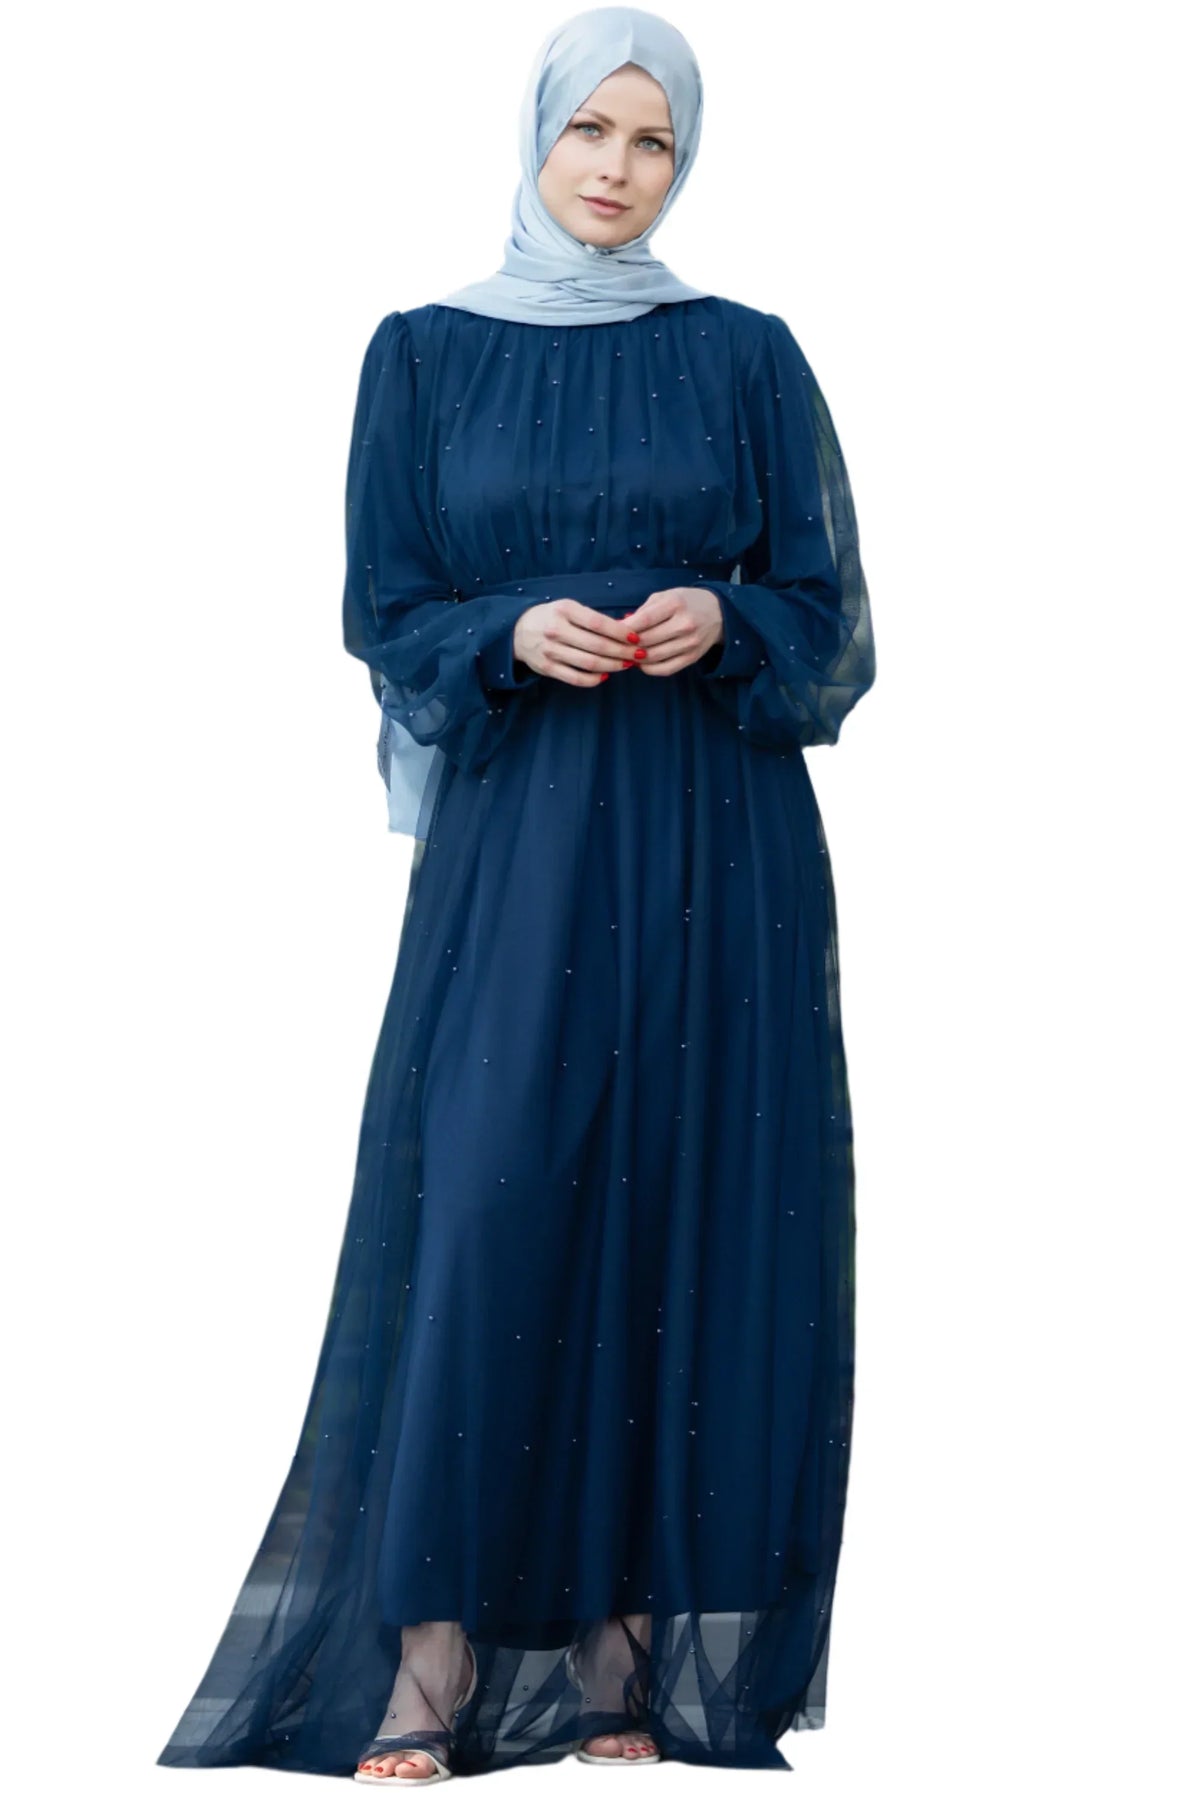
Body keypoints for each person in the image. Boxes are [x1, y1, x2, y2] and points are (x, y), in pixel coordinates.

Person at [156, 4, 875, 1783]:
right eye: (591, 132)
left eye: (656, 141)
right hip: (522, 840)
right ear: (537, 138)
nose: (619, 171)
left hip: (716, 840)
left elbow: (830, 619)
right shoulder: (421, 353)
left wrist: (727, 617)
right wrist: (504, 630)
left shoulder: (748, 353)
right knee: (487, 1208)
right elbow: (385, 606)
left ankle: (629, 1671)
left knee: (685, 1202)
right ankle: (428, 1676)